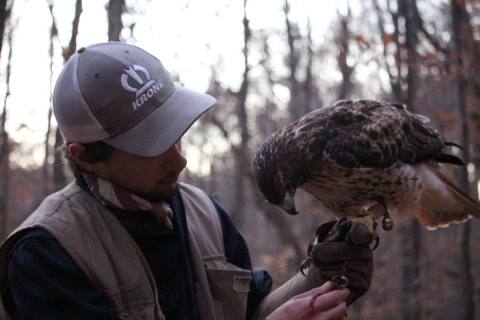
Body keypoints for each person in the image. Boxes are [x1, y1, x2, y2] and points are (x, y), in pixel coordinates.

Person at [0, 42, 372, 320]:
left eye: (174, 131)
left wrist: (316, 281)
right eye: (151, 145)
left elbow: (249, 310)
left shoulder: (204, 213)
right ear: (86, 157)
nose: (180, 159)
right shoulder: (44, 255)